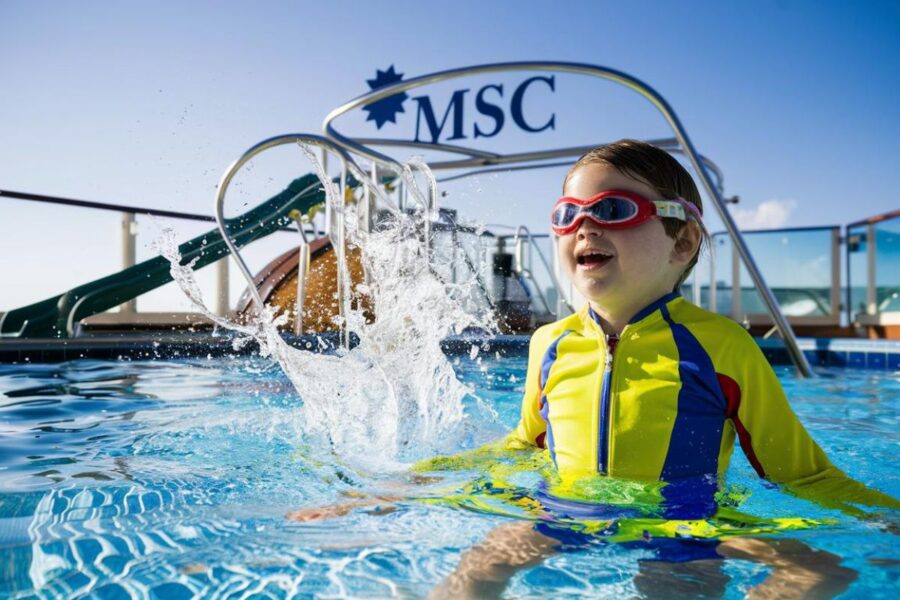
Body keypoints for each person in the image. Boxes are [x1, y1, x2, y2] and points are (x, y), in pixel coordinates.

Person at [290, 140, 898, 598]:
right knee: (477, 570)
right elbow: (521, 446)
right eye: (567, 212)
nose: (585, 223)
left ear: (681, 242)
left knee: (818, 567)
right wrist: (399, 485)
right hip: (564, 511)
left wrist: (885, 514)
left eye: (612, 207)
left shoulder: (722, 346)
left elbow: (801, 472)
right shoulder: (550, 344)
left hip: (684, 523)